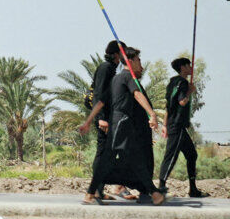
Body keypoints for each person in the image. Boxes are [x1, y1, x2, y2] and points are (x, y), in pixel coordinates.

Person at [87, 47, 164, 206]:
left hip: (119, 123)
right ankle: (154, 193)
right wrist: (152, 114)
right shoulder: (128, 76)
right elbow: (137, 94)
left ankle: (90, 194)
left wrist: (89, 121)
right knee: (135, 159)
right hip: (122, 122)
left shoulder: (116, 78)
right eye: (138, 60)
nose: (140, 63)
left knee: (116, 159)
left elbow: (102, 101)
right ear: (130, 62)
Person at [78, 41, 124, 203]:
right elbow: (99, 94)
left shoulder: (111, 69)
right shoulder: (106, 68)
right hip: (103, 119)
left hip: (108, 117)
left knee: (107, 153)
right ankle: (96, 190)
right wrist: (101, 119)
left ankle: (99, 189)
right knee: (102, 153)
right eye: (123, 53)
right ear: (117, 54)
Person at [159, 58, 204, 198]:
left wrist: (165, 125)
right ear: (182, 67)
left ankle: (193, 189)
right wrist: (190, 92)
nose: (191, 67)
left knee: (192, 154)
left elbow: (169, 106)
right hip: (177, 125)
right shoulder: (183, 83)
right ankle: (160, 186)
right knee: (171, 155)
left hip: (174, 125)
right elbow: (181, 102)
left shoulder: (172, 82)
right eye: (188, 65)